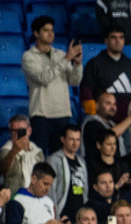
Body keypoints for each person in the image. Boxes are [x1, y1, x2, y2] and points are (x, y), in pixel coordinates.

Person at [22, 16, 83, 154]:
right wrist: (67, 59)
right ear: (36, 33)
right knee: (40, 156)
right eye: (46, 30)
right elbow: (43, 78)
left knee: (60, 156)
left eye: (52, 30)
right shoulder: (29, 56)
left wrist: (78, 63)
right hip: (41, 114)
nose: (51, 34)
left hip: (62, 113)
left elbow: (74, 81)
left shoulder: (60, 54)